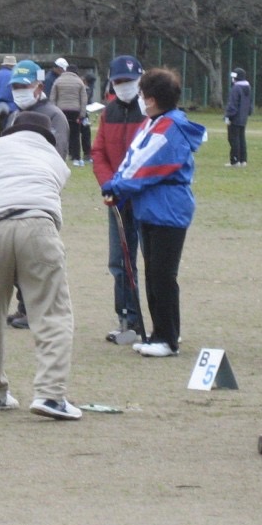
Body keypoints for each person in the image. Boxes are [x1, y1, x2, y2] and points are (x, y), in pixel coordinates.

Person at [0, 110, 81, 420]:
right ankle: (50, 395)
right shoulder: (57, 160)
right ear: (47, 138)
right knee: (52, 313)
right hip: (39, 226)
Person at [101, 68, 206, 358]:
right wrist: (118, 184)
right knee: (152, 272)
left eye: (144, 95)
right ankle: (160, 331)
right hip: (150, 208)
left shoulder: (169, 127)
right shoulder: (153, 123)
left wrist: (118, 185)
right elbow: (132, 158)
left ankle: (168, 337)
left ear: (154, 99)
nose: (141, 100)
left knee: (163, 274)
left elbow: (146, 164)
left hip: (168, 209)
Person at [2, 59, 70, 329]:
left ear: (38, 85)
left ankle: (36, 311)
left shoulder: (55, 116)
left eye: (24, 85)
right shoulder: (13, 115)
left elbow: (57, 155)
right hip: (11, 192)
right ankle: (23, 307)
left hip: (39, 195)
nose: (19, 91)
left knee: (38, 255)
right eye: (15, 86)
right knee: (16, 254)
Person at [91, 55, 148, 345]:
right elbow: (98, 152)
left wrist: (132, 184)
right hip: (117, 199)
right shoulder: (109, 112)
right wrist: (108, 183)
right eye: (119, 82)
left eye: (129, 81)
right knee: (120, 260)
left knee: (153, 261)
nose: (124, 86)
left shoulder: (150, 111)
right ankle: (128, 319)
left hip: (146, 198)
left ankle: (160, 324)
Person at [50, 60, 89, 166]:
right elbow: (84, 99)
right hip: (75, 111)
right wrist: (82, 114)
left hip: (61, 111)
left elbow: (53, 97)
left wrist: (53, 111)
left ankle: (58, 156)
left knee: (60, 134)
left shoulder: (58, 80)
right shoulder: (79, 81)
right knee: (75, 135)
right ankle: (76, 158)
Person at [223, 67, 252, 166]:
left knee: (233, 139)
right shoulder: (247, 87)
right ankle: (243, 160)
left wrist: (228, 116)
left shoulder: (236, 88)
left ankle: (235, 161)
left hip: (235, 117)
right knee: (241, 139)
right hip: (243, 117)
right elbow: (249, 104)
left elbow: (233, 104)